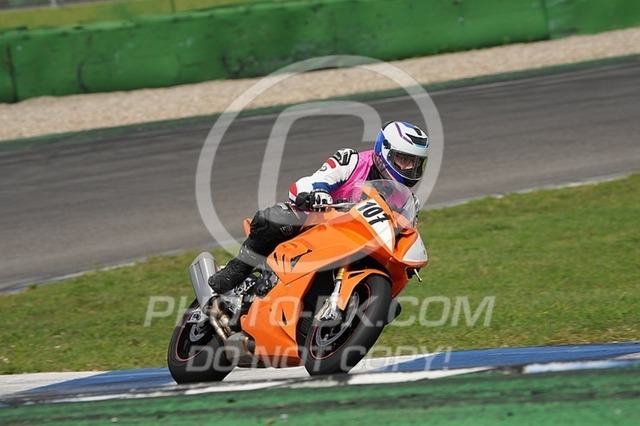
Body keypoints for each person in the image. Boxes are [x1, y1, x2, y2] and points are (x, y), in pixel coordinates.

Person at [208, 120, 430, 294]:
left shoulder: (407, 201)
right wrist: (315, 195)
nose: (410, 168)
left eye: (416, 163)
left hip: (360, 244)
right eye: (404, 159)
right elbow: (311, 182)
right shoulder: (351, 161)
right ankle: (238, 269)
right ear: (385, 151)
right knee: (276, 219)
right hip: (320, 225)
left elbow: (405, 234)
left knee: (390, 301)